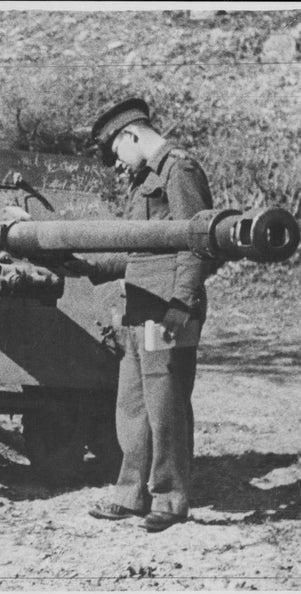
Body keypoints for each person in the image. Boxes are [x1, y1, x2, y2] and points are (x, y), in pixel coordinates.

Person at [79, 98, 217, 533]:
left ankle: (170, 498)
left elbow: (198, 242)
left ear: (131, 135)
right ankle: (130, 493)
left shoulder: (180, 170)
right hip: (140, 308)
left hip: (168, 310)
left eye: (117, 151)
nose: (118, 164)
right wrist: (78, 262)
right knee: (132, 405)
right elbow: (132, 251)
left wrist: (181, 305)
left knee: (165, 403)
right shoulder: (145, 182)